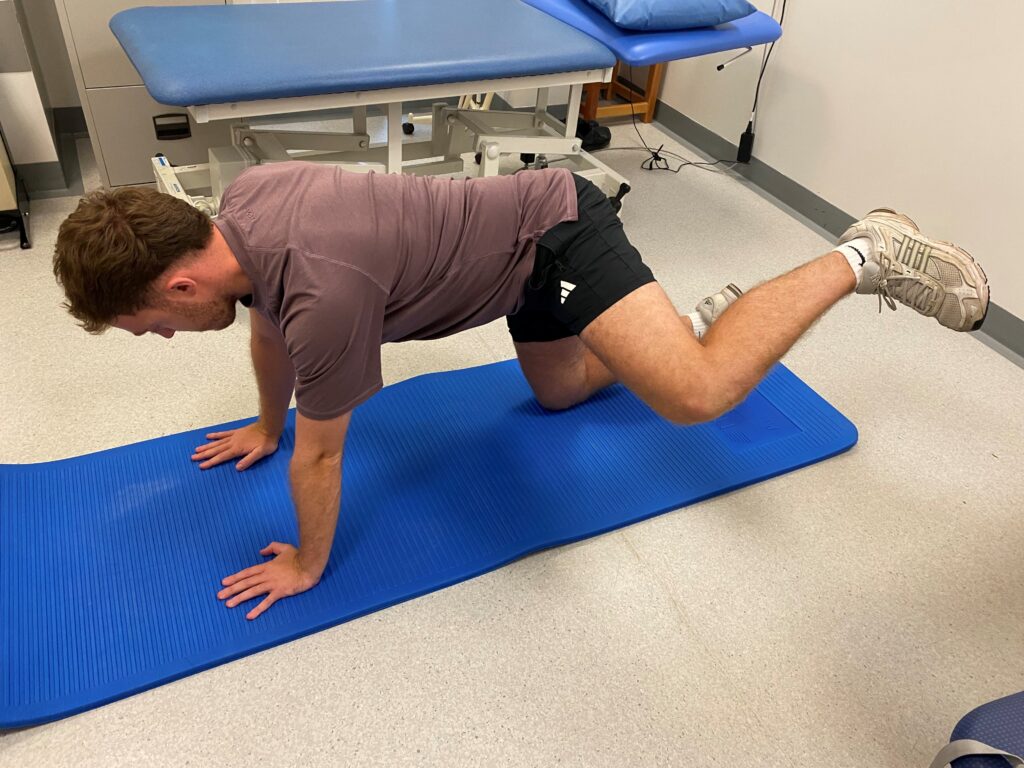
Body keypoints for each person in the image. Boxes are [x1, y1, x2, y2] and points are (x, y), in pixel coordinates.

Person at [52, 162, 989, 620]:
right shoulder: (245, 209)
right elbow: (261, 328)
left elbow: (325, 451)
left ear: (177, 284)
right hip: (514, 274)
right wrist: (263, 422)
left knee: (697, 395)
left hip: (556, 236)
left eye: (150, 325)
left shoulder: (322, 295)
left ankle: (865, 252)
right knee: (563, 397)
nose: (162, 338)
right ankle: (684, 320)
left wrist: (304, 563)